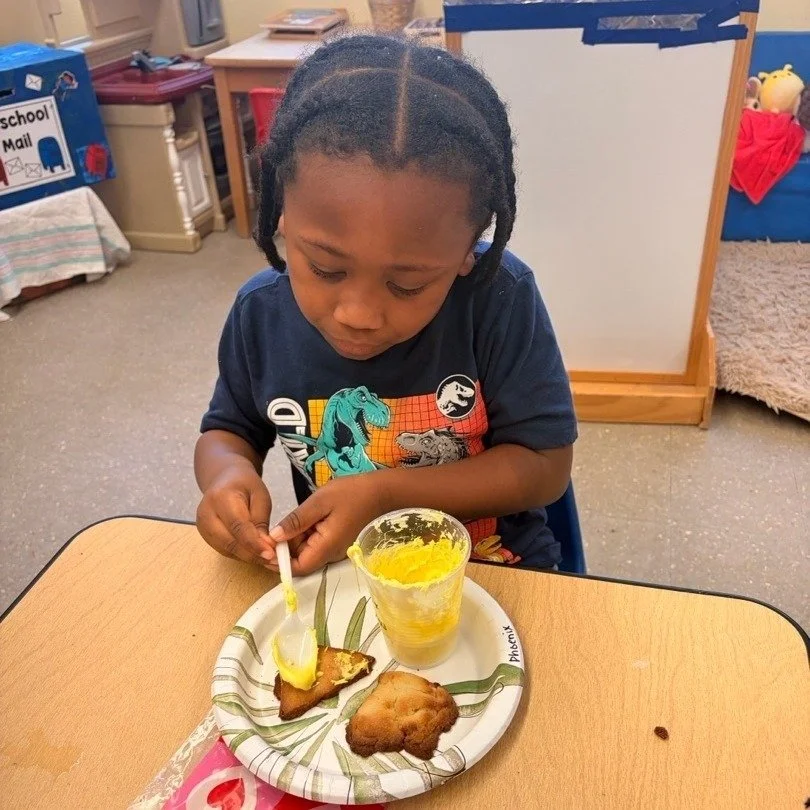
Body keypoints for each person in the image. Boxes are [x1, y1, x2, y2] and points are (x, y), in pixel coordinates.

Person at [195, 35, 577, 576]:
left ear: (468, 251)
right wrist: (225, 477)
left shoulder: (499, 298)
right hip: (348, 574)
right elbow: (228, 432)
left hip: (494, 568)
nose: (359, 313)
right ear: (281, 210)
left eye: (407, 285)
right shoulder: (260, 315)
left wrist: (383, 495)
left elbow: (545, 467)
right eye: (326, 269)